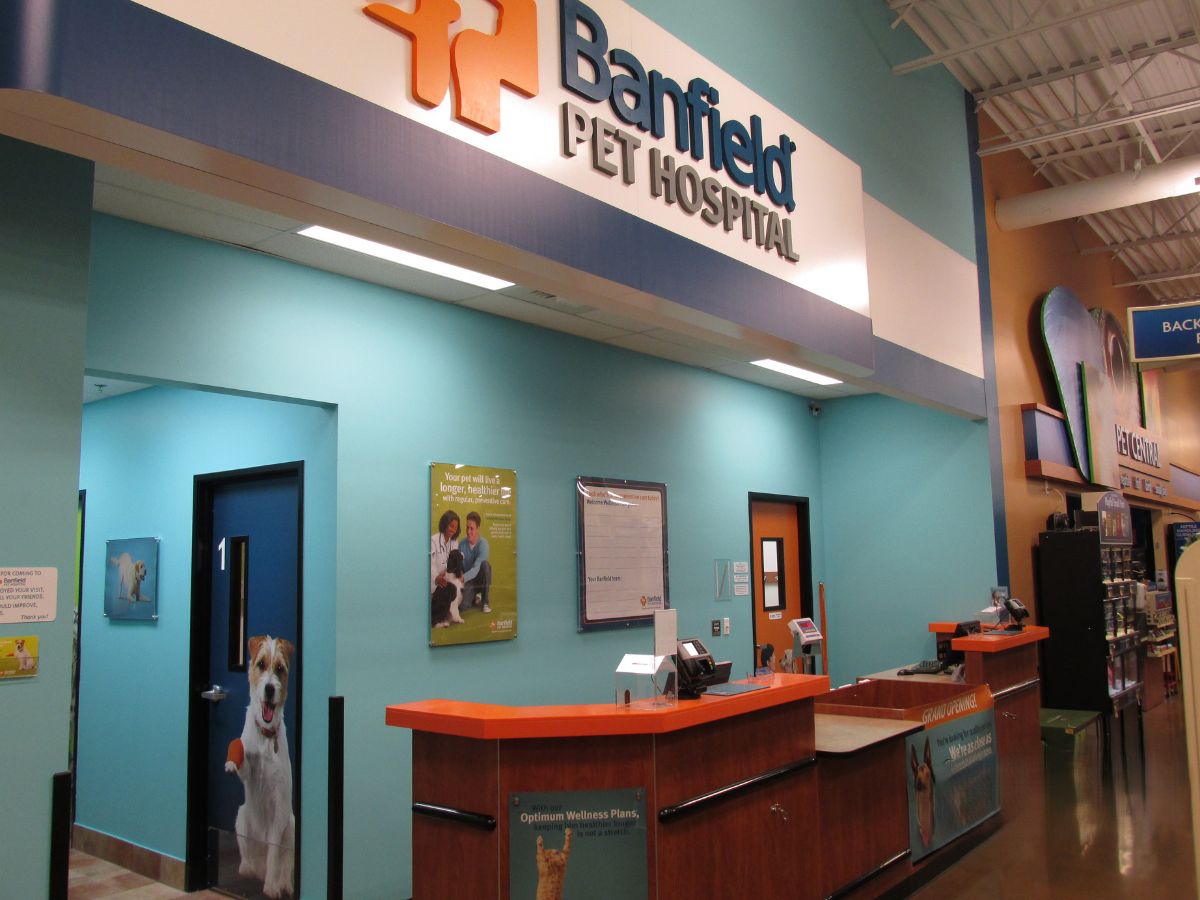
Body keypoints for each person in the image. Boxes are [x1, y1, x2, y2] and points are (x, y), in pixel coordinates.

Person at [459, 511, 492, 613]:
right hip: (469, 582)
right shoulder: (461, 545)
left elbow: (477, 568)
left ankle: (485, 602)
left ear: (478, 529)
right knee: (462, 606)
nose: (468, 532)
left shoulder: (483, 544)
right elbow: (459, 566)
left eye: (472, 528)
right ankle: (474, 597)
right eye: (467, 528)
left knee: (485, 565)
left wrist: (463, 578)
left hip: (479, 579)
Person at [430, 509, 460, 592]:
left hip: (449, 581)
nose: (453, 530)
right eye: (451, 526)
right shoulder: (433, 541)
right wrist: (436, 577)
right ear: (444, 524)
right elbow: (430, 565)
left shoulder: (455, 542)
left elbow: (455, 563)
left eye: (456, 528)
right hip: (435, 583)